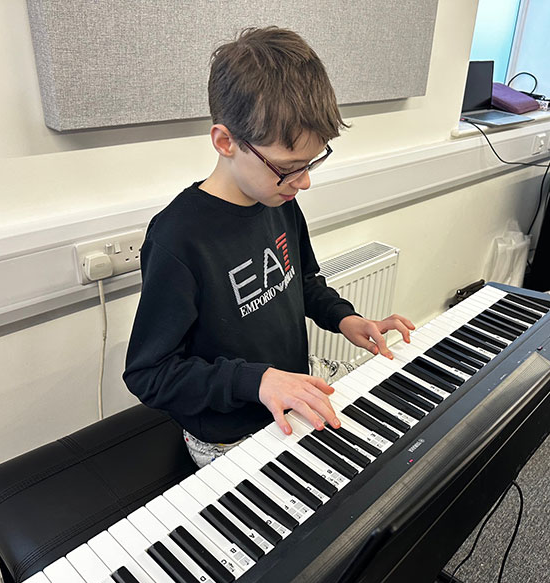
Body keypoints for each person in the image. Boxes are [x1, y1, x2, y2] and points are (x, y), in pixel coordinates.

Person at [123, 27, 414, 467]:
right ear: (226, 142)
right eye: (288, 167)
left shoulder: (277, 199)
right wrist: (257, 381)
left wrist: (345, 317)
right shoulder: (177, 240)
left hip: (287, 395)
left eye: (313, 163)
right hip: (228, 435)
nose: (304, 181)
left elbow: (303, 281)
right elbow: (150, 374)